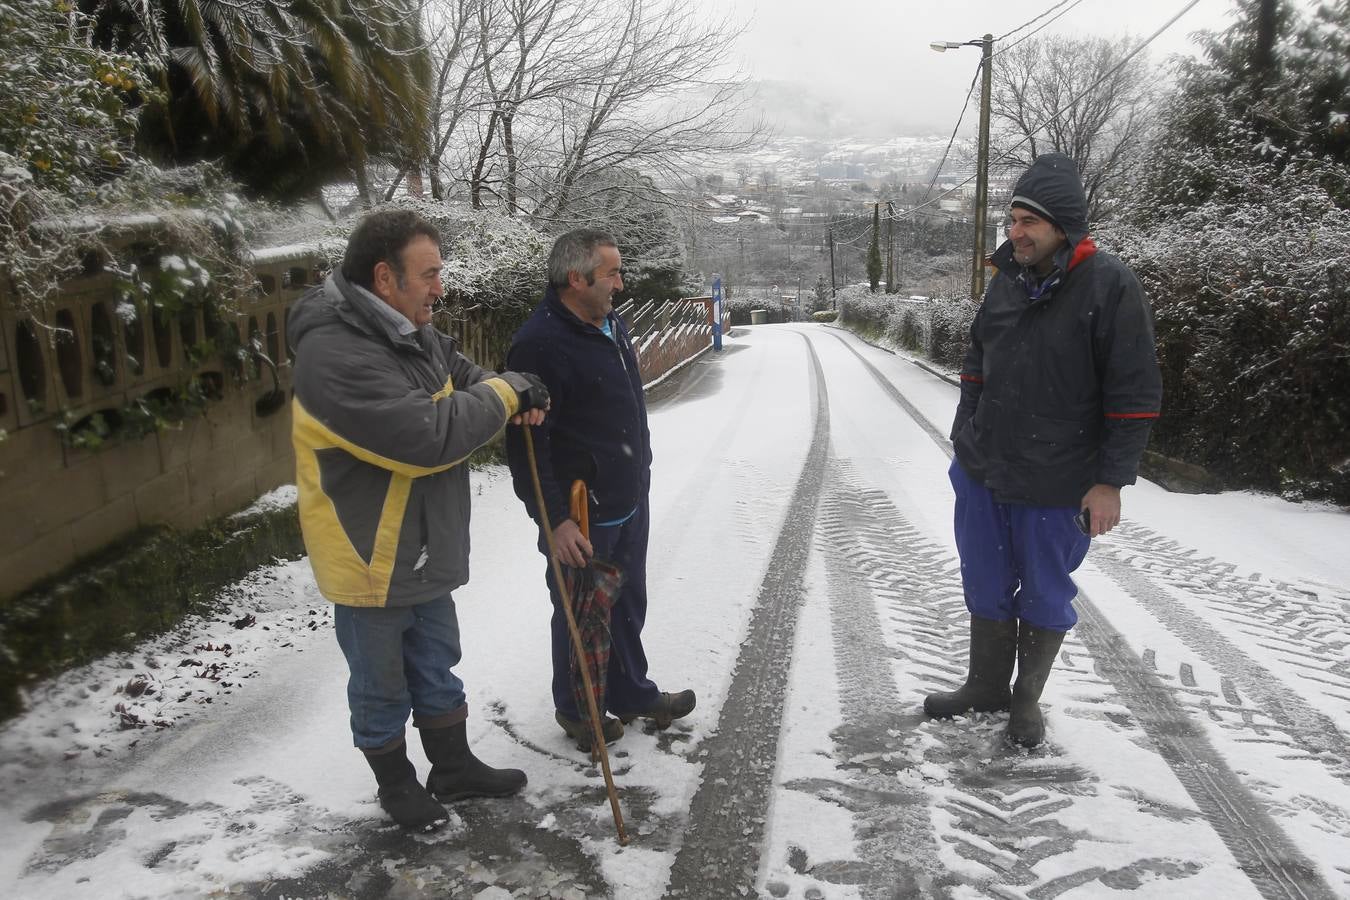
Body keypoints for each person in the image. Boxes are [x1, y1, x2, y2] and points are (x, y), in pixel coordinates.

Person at [288, 209, 550, 830]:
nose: (440, 287)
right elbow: (427, 436)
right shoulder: (334, 353)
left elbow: (459, 372)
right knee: (380, 681)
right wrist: (508, 393)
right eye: (429, 274)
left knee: (436, 661)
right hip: (370, 551)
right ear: (385, 278)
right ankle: (397, 785)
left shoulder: (406, 328)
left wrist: (502, 388)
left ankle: (452, 767)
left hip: (425, 539)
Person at [924, 153, 1162, 748]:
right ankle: (985, 685)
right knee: (984, 577)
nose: (1016, 232)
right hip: (985, 468)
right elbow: (976, 363)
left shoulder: (1110, 286)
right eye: (1012, 220)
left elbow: (1134, 395)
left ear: (1064, 225)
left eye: (1029, 221)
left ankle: (1025, 699)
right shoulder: (1007, 280)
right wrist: (965, 435)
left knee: (1045, 589)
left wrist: (1110, 482)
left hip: (1059, 478)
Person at [505, 229, 695, 751]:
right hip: (581, 511)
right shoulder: (540, 344)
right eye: (611, 273)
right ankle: (579, 710)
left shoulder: (611, 323)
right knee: (581, 614)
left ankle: (631, 693)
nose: (621, 283)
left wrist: (641, 471)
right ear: (576, 278)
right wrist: (554, 522)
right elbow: (526, 447)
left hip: (627, 495)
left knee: (627, 602)